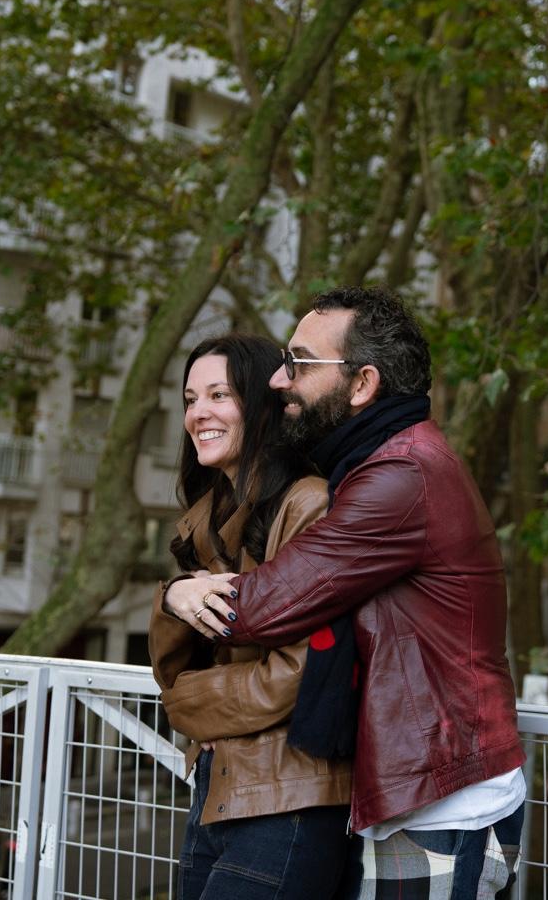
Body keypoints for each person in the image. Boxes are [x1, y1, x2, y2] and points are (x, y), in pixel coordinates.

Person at [163, 287, 527, 899]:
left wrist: (179, 595)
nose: (278, 380)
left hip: (445, 801)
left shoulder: (401, 475)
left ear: (362, 384)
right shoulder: (376, 463)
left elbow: (264, 606)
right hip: (415, 789)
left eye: (300, 363)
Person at [147, 333, 352, 900]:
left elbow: (299, 671)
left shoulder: (309, 503)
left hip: (289, 795)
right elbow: (172, 667)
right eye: (190, 399)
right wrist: (174, 597)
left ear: (263, 405)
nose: (198, 413)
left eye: (219, 395)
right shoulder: (206, 517)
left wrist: (190, 708)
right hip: (217, 785)